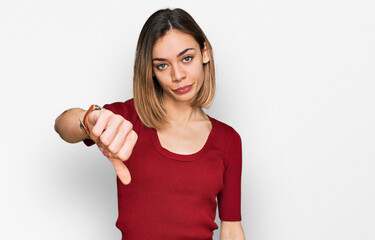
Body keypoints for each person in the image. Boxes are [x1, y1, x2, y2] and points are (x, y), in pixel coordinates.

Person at [55, 8, 245, 240]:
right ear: (151, 71)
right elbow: (63, 125)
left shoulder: (228, 140)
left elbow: (232, 229)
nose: (178, 75)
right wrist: (90, 119)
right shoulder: (127, 119)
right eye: (162, 65)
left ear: (204, 52)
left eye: (187, 58)